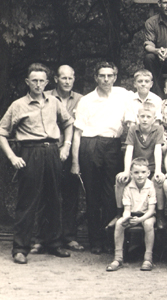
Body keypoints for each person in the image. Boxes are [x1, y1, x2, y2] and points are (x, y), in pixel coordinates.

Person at [0, 63, 74, 264]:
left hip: (52, 152)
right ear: (27, 82)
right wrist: (13, 157)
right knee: (28, 201)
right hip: (29, 152)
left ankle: (53, 243)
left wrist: (66, 146)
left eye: (42, 81)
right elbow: (2, 133)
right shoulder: (18, 105)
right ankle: (20, 248)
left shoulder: (55, 102)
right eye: (34, 80)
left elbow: (68, 123)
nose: (38, 84)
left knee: (54, 198)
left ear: (47, 82)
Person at [72, 61, 130, 254]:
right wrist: (75, 161)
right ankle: (95, 241)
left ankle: (110, 239)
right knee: (93, 195)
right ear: (96, 78)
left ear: (115, 77)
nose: (106, 79)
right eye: (102, 76)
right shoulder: (86, 100)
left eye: (110, 76)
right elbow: (78, 133)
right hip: (90, 145)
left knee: (111, 195)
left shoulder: (123, 95)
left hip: (113, 145)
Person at [45, 65, 84, 252]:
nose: (67, 81)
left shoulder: (81, 100)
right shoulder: (45, 96)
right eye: (63, 78)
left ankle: (69, 236)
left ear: (74, 79)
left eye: (70, 78)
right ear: (56, 79)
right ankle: (43, 238)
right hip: (49, 149)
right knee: (47, 194)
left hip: (72, 151)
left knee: (70, 194)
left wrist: (69, 149)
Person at [113, 103, 166, 230]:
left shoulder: (158, 129)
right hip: (136, 168)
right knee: (120, 180)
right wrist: (127, 171)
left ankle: (159, 215)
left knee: (157, 182)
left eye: (148, 116)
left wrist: (158, 170)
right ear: (138, 117)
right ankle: (119, 213)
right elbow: (129, 150)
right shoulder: (133, 129)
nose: (145, 119)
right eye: (142, 116)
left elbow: (158, 150)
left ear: (154, 119)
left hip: (151, 167)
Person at [106, 158, 157, 272]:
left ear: (148, 173)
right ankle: (118, 258)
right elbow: (127, 208)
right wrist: (126, 217)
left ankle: (148, 258)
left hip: (147, 215)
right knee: (119, 223)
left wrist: (140, 220)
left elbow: (151, 210)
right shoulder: (128, 187)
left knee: (148, 224)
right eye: (136, 172)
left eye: (143, 172)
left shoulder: (150, 186)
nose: (140, 175)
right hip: (132, 214)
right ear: (131, 173)